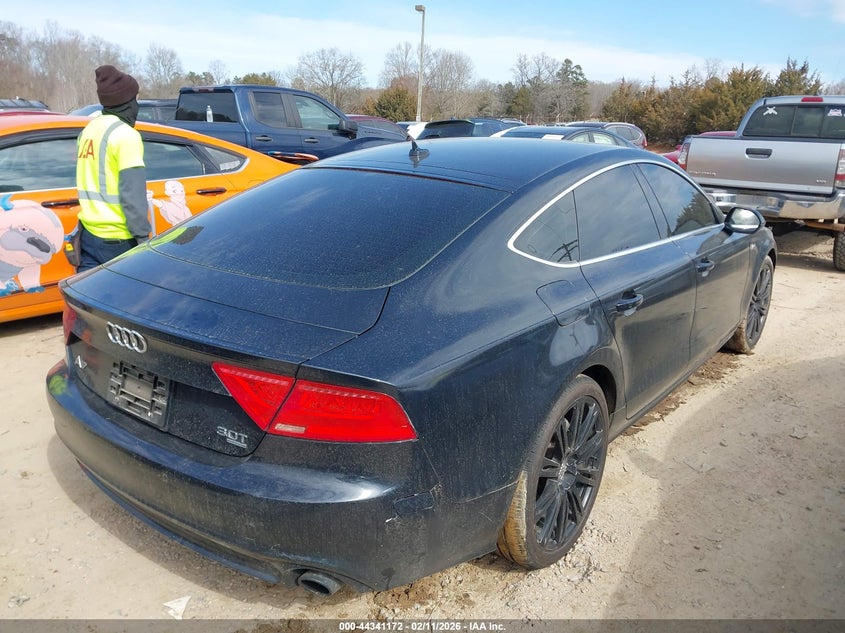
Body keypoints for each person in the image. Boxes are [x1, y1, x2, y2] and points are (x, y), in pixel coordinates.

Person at [75, 65, 150, 272]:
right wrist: (143, 237)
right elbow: (132, 194)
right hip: (118, 238)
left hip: (89, 233)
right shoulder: (126, 135)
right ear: (128, 100)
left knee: (88, 289)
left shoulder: (89, 130)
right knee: (128, 290)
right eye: (136, 97)